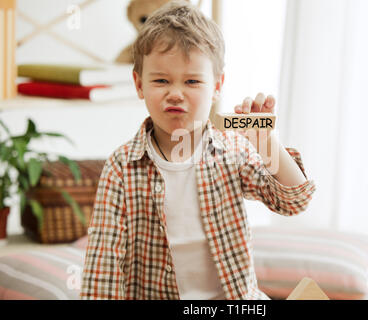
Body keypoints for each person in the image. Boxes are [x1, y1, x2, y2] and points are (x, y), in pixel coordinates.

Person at [80, 0, 316, 300]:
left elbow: (295, 200)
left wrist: (267, 143)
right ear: (139, 84)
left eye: (192, 81)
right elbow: (103, 268)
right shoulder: (121, 167)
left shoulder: (233, 152)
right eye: (161, 80)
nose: (175, 92)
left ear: (217, 86)